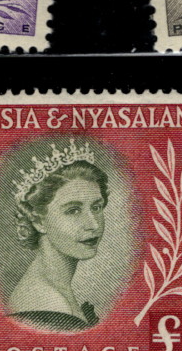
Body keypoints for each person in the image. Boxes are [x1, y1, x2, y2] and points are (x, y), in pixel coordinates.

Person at [7, 141, 110, 331]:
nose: (94, 225)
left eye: (96, 207)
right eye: (73, 210)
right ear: (39, 221)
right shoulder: (49, 306)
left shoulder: (56, 290)